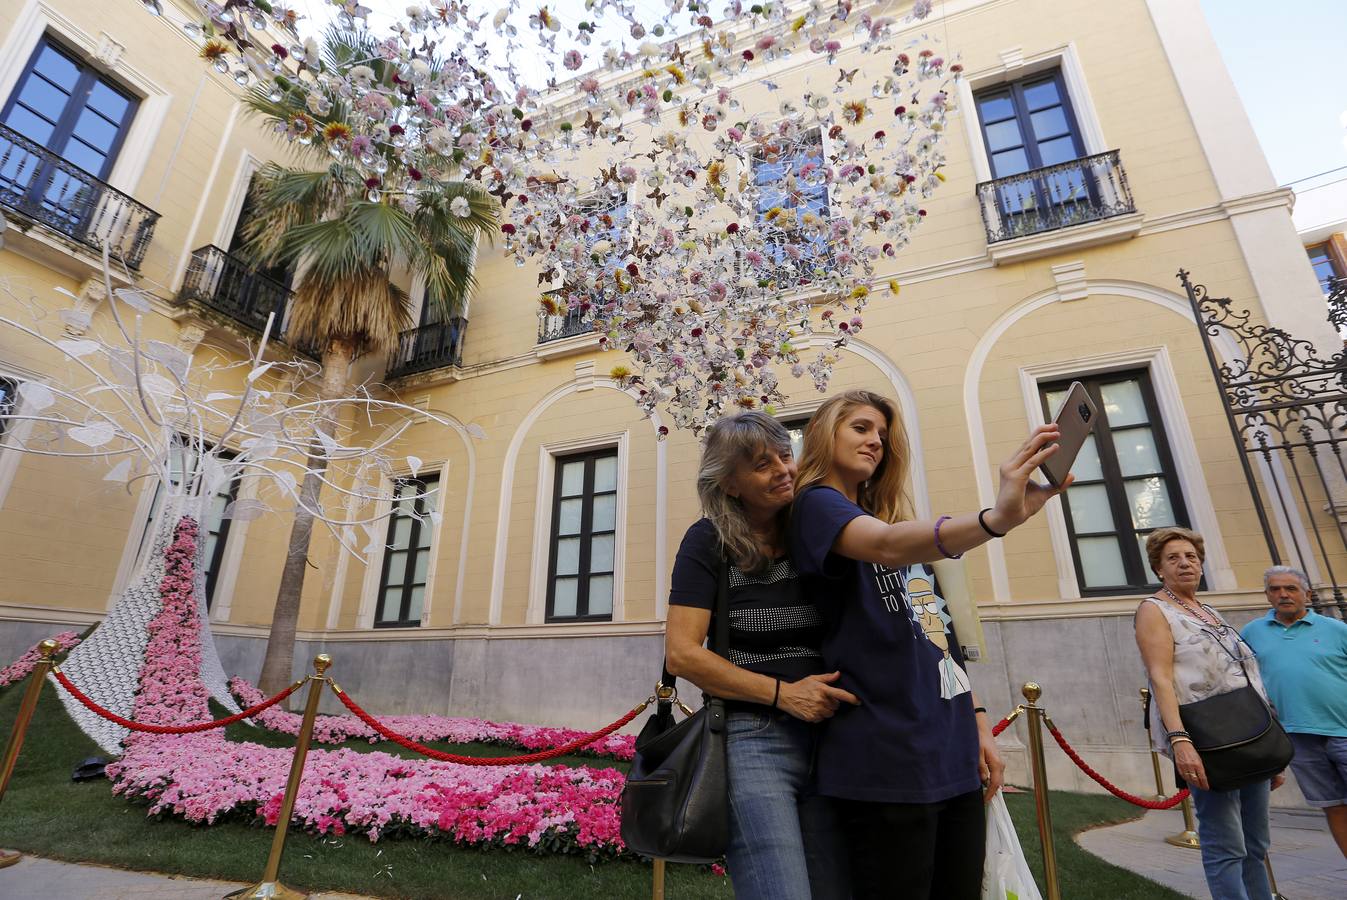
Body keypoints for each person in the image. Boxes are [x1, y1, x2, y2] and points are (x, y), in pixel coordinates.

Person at [788, 389, 1068, 900]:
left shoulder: (893, 524)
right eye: (861, 427)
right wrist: (995, 519)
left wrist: (978, 721)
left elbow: (940, 638)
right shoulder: (816, 506)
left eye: (882, 434)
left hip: (950, 750)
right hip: (885, 756)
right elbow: (884, 545)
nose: (876, 441)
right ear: (824, 432)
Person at [665, 411, 858, 900]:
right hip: (755, 739)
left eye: (785, 455)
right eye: (761, 464)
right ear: (730, 484)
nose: (783, 470)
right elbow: (683, 654)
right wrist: (784, 695)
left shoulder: (811, 533)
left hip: (838, 738)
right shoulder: (709, 541)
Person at [1134, 527, 1285, 900]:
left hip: (1249, 735)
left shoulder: (1209, 611)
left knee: (1256, 842)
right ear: (1158, 569)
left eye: (1191, 556)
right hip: (1206, 741)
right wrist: (1180, 740)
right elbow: (1161, 678)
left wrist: (1271, 748)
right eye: (1173, 558)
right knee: (1225, 843)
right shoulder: (1155, 610)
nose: (1185, 563)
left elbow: (1245, 676)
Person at [1241, 566, 1347, 858]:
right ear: (1267, 595)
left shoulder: (1337, 630)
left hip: (1344, 731)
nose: (1283, 594)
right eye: (1275, 589)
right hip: (1297, 738)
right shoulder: (1251, 633)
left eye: (1290, 588)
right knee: (1333, 806)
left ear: (1307, 595)